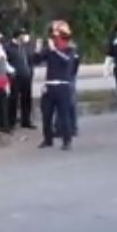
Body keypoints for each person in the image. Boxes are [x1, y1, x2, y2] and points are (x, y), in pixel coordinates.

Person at [36, 20, 80, 151]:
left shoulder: (70, 49)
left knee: (64, 115)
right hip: (49, 85)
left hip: (63, 86)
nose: (54, 39)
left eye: (57, 36)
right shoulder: (49, 50)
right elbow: (36, 60)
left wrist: (55, 50)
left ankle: (67, 141)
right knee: (46, 115)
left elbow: (67, 62)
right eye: (53, 37)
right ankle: (47, 139)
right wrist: (38, 50)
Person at [5, 28, 36, 130]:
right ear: (18, 36)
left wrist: (30, 71)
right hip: (15, 77)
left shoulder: (25, 47)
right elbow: (6, 63)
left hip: (26, 76)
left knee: (26, 99)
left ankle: (26, 121)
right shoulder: (8, 47)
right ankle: (11, 122)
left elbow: (30, 59)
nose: (25, 37)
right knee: (13, 99)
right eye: (23, 35)